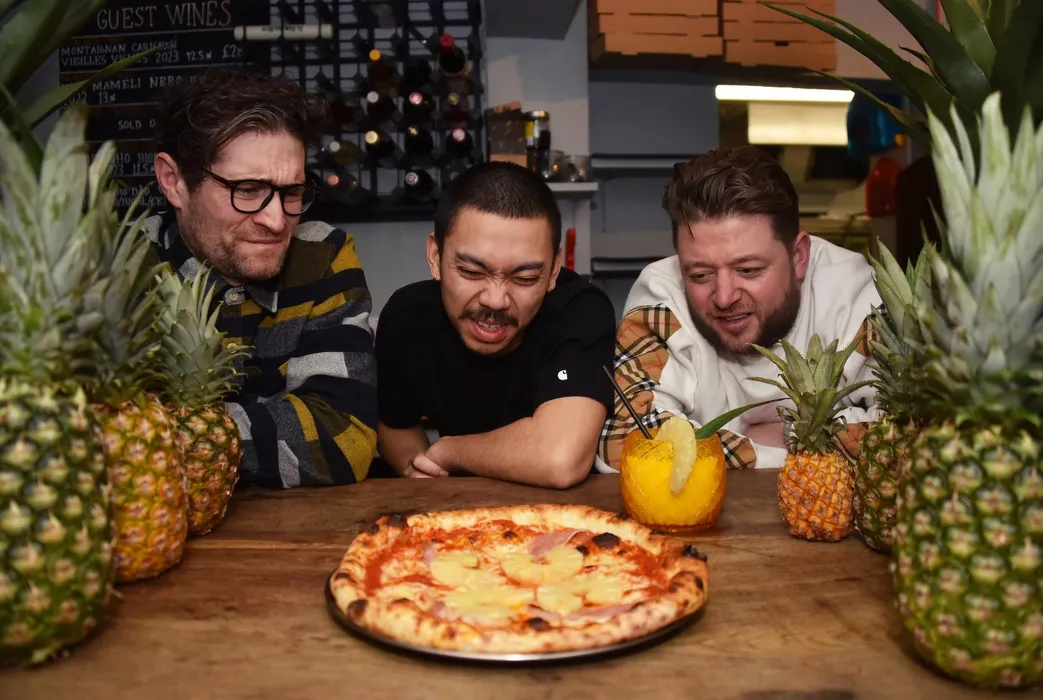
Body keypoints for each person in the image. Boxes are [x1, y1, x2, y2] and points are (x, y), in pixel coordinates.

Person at [147, 68, 378, 488]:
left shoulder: (322, 255)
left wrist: (168, 439)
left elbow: (343, 440)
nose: (276, 221)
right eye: (248, 190)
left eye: (292, 192)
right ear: (173, 181)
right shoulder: (120, 271)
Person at [597, 146, 880, 473]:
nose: (724, 297)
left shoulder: (856, 296)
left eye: (748, 270)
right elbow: (624, 444)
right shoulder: (661, 298)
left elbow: (908, 434)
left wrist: (783, 431)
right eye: (700, 275)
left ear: (799, 257)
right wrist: (786, 444)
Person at [375, 161, 616, 488]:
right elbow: (394, 423)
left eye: (525, 277)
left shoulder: (581, 310)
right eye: (471, 272)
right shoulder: (406, 316)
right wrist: (425, 473)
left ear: (554, 271)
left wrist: (449, 451)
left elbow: (558, 459)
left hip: (561, 512)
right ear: (435, 256)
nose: (496, 300)